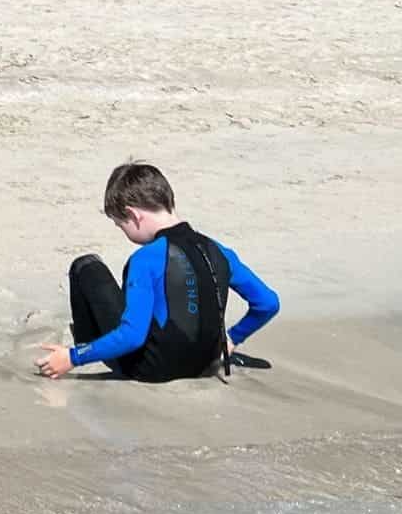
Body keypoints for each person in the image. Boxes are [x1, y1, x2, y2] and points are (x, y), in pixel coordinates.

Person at [36, 162, 281, 382]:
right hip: (206, 364)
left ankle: (80, 349)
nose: (124, 232)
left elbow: (133, 335)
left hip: (149, 370)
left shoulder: (145, 258)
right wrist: (233, 338)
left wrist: (74, 357)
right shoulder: (219, 250)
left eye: (121, 225)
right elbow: (268, 303)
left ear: (133, 215)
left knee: (86, 266)